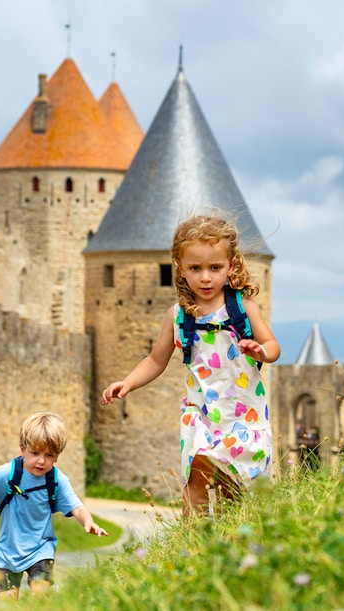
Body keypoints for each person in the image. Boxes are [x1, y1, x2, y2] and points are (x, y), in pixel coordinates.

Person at [102, 214, 281, 516]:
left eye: (215, 268)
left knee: (230, 491)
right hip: (201, 415)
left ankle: (227, 547)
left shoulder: (243, 307)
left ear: (231, 266)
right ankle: (193, 543)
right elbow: (155, 359)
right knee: (194, 480)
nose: (205, 277)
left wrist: (260, 351)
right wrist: (128, 383)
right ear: (181, 270)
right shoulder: (178, 316)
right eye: (195, 268)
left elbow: (273, 347)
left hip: (242, 416)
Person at [0, 411, 108, 601]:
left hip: (41, 550)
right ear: (22, 449)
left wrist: (88, 521)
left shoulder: (57, 480)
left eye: (49, 455)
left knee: (40, 598)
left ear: (57, 457)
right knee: (9, 605)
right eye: (35, 453)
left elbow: (77, 506)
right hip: (7, 552)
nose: (41, 460)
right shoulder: (7, 474)